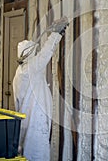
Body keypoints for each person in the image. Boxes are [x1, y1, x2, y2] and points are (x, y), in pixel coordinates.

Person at [13, 17, 68, 161]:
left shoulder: (20, 71)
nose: (36, 54)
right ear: (30, 53)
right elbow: (45, 53)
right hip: (35, 120)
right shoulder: (31, 69)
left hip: (26, 118)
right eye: (34, 52)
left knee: (26, 152)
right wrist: (57, 34)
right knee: (37, 153)